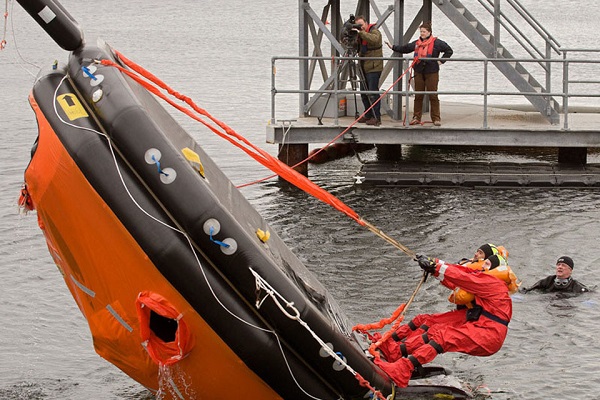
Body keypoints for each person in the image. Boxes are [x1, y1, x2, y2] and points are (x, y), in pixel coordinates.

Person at [373, 255, 512, 388]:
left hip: (489, 333)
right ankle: (396, 351)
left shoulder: (492, 283)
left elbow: (463, 277)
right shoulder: (488, 280)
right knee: (435, 329)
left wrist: (435, 267)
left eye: (487, 263)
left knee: (444, 337)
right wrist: (433, 266)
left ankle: (403, 368)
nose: (482, 264)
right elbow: (460, 275)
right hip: (484, 327)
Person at [385, 22, 453, 126]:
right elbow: (406, 48)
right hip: (419, 71)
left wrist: (441, 61)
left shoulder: (437, 43)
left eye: (424, 32)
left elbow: (449, 51)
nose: (422, 33)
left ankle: (436, 118)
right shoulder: (416, 43)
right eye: (421, 31)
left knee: (433, 95)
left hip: (432, 71)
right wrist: (393, 47)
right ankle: (416, 117)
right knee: (418, 95)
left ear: (429, 32)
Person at [354, 15, 383, 126]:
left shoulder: (375, 32)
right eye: (358, 25)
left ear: (366, 23)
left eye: (361, 25)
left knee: (373, 93)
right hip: (363, 67)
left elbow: (374, 40)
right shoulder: (360, 35)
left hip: (374, 67)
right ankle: (368, 114)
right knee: (363, 93)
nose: (360, 27)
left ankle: (377, 117)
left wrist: (360, 32)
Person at [521, 256, 590, 294]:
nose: (560, 267)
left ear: (570, 270)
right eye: (558, 265)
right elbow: (529, 289)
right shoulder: (548, 281)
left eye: (563, 265)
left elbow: (588, 293)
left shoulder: (576, 286)